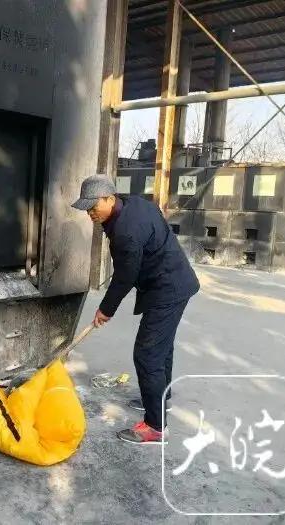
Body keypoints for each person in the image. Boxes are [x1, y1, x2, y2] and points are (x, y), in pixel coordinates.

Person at [72, 174, 199, 444]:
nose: (90, 213)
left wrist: (105, 310)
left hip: (167, 287)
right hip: (171, 281)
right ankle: (160, 397)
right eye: (86, 208)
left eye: (93, 206)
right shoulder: (132, 204)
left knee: (147, 355)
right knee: (162, 348)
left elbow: (125, 276)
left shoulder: (126, 231)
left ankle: (155, 427)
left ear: (109, 198)